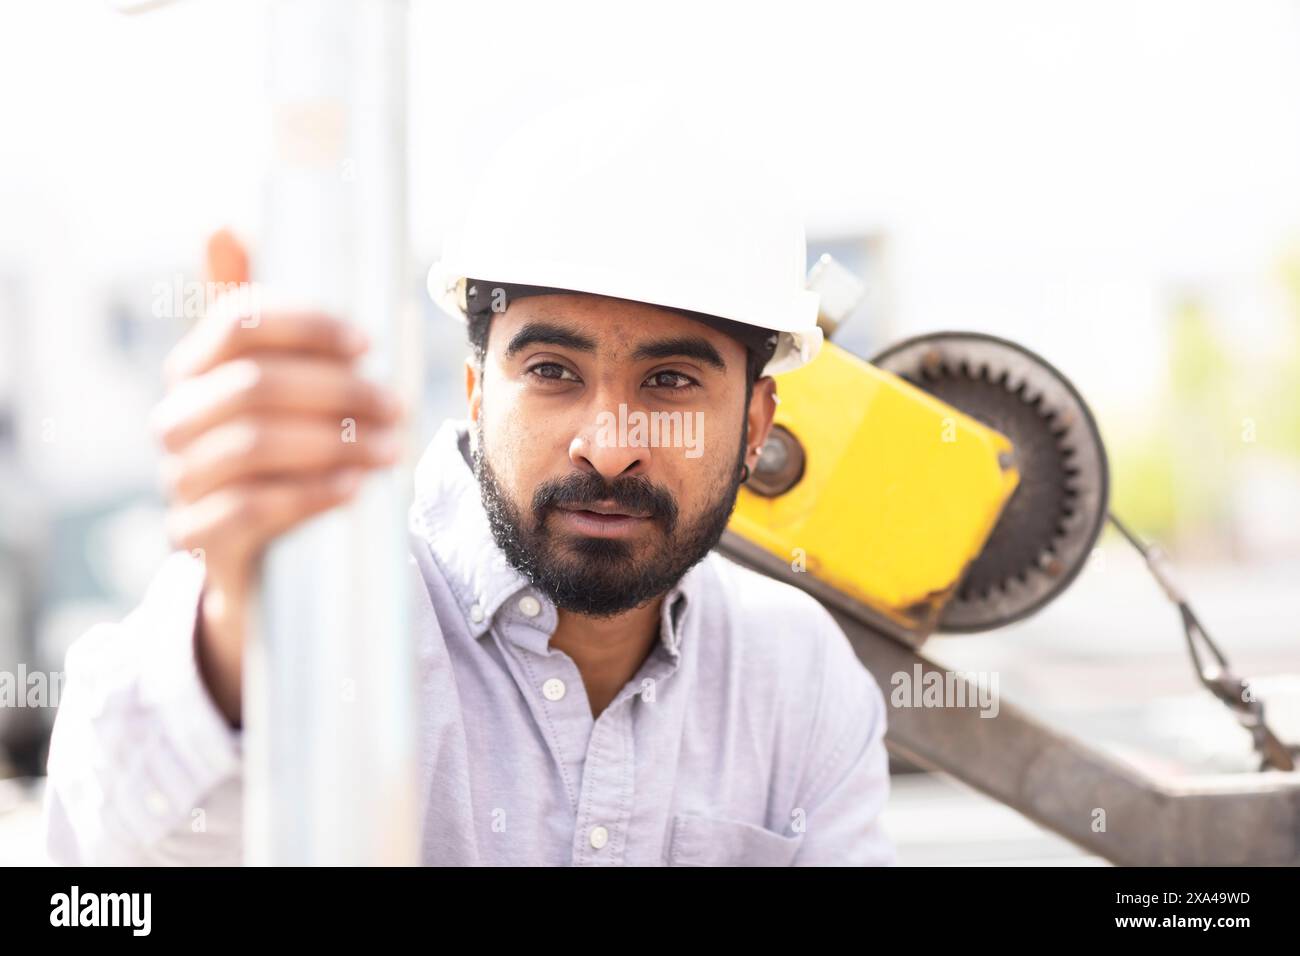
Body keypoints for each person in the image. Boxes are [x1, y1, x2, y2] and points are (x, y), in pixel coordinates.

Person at [42, 95, 894, 866]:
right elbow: (110, 861)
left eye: (670, 381)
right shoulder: (316, 601)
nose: (608, 449)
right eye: (553, 371)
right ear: (478, 391)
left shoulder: (798, 680)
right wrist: (241, 631)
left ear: (755, 424)